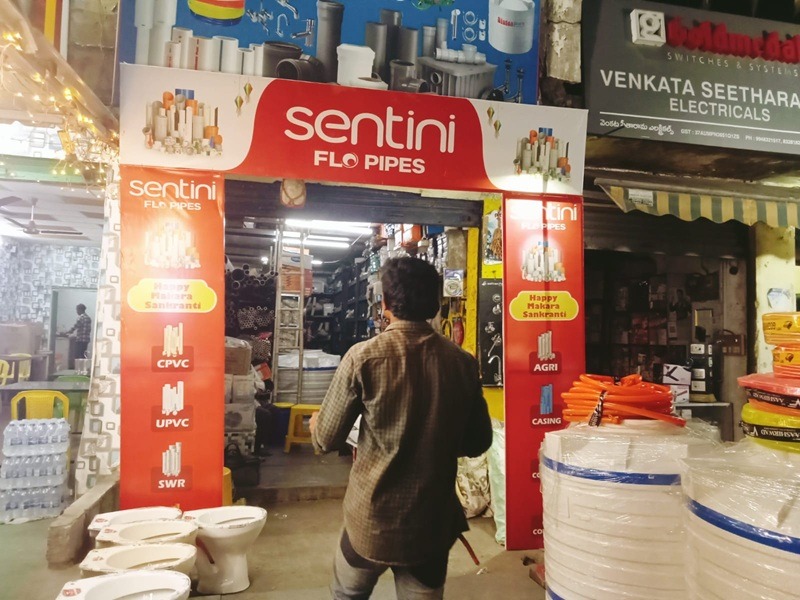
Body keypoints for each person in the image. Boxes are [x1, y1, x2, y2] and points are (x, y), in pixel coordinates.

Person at [310, 257, 493, 600]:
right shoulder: (461, 362)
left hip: (371, 523)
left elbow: (327, 439)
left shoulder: (362, 357)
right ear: (435, 303)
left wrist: (317, 423)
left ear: (385, 303)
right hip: (430, 524)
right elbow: (478, 441)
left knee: (347, 595)